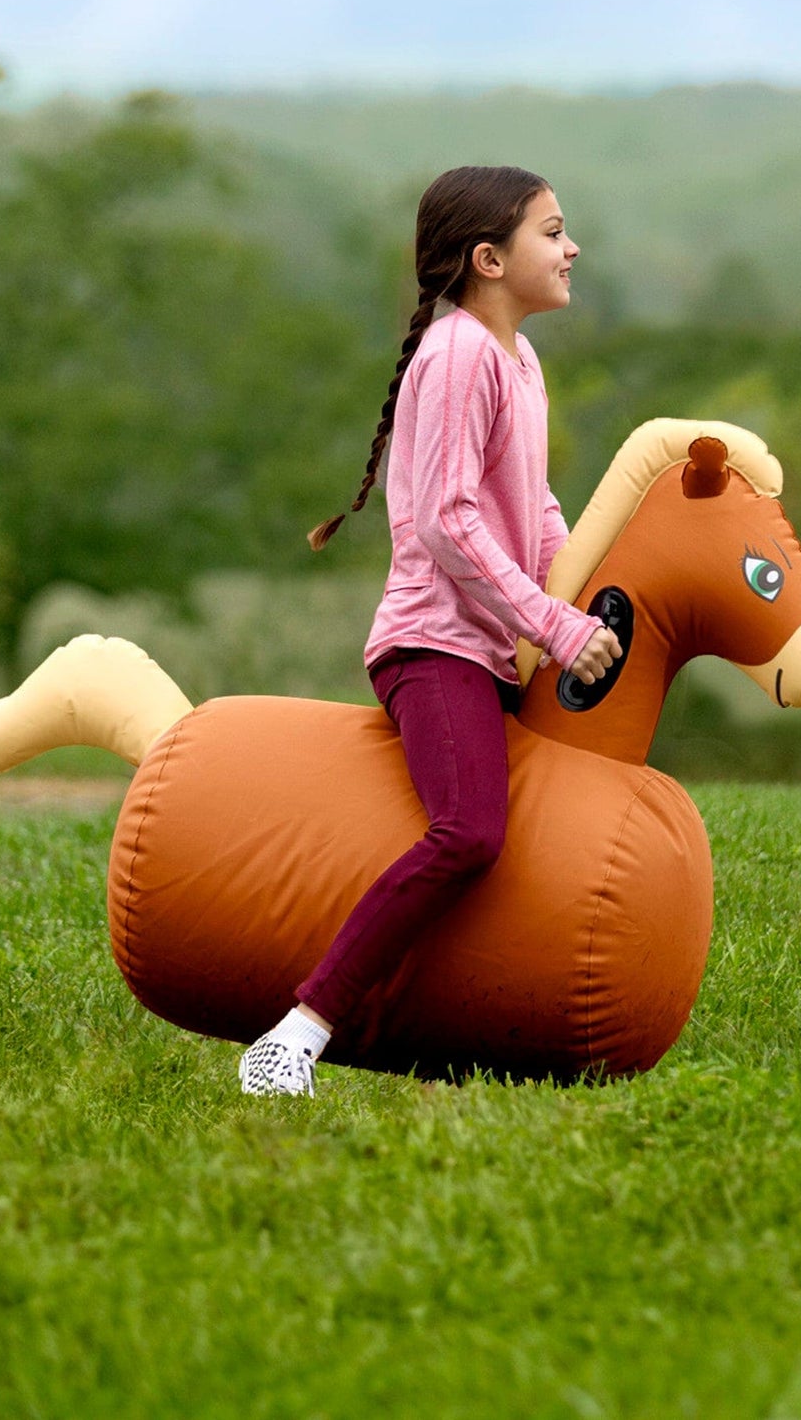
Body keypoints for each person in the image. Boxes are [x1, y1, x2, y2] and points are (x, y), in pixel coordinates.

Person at [237, 165, 621, 1095]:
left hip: (495, 642)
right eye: (553, 232)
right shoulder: (457, 356)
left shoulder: (520, 361)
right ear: (490, 259)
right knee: (469, 834)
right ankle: (298, 1030)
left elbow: (530, 509)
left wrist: (586, 589)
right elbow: (450, 521)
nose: (573, 250)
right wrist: (554, 627)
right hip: (436, 646)